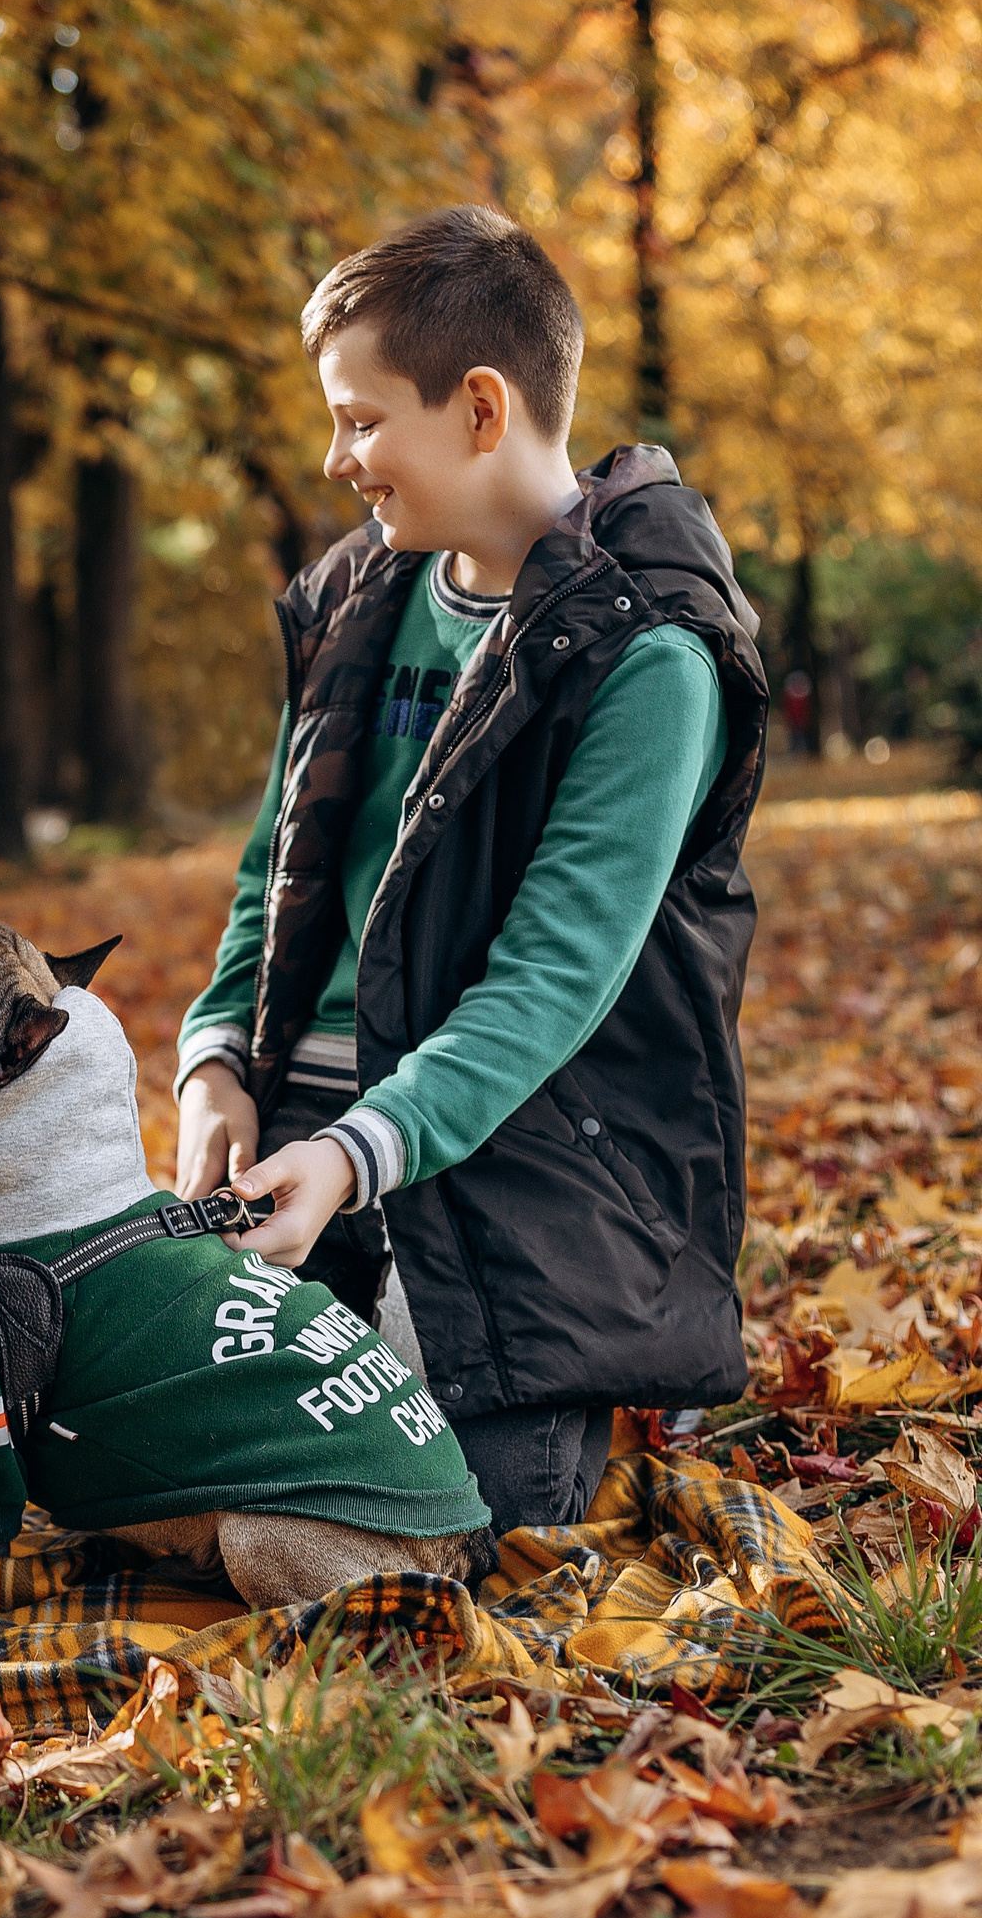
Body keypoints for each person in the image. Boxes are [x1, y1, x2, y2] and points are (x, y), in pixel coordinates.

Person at [172, 205, 770, 1531]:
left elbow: (551, 981)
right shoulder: (353, 601)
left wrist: (356, 1153)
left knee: (446, 1515)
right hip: (306, 1139)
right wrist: (216, 1059)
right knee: (131, 1453)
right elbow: (276, 864)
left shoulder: (650, 657)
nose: (336, 458)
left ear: (482, 409)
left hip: (519, 1156)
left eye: (361, 420)